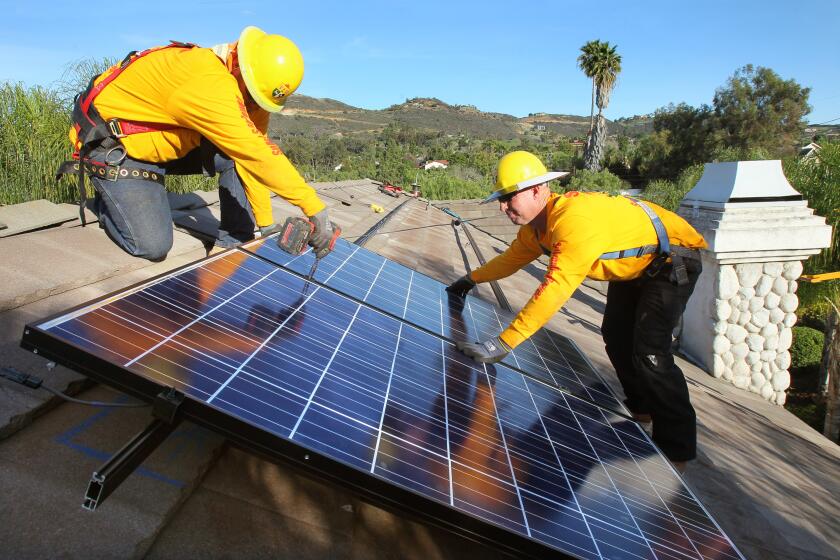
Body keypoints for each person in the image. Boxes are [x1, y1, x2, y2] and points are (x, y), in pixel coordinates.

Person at [446, 150, 707, 471]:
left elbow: (554, 289)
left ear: (537, 190)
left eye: (509, 197)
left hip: (672, 260)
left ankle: (676, 451)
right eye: (501, 199)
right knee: (614, 335)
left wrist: (501, 343)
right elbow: (510, 260)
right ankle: (642, 410)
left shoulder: (573, 223)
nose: (503, 207)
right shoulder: (536, 230)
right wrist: (469, 280)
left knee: (651, 352)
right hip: (635, 266)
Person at [59, 26, 335, 260]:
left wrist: (265, 226)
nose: (252, 105)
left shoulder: (247, 91)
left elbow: (254, 152)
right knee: (152, 246)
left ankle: (235, 241)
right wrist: (313, 207)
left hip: (164, 143)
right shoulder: (207, 80)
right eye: (251, 97)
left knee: (233, 154)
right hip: (116, 146)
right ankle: (109, 201)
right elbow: (256, 154)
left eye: (258, 101)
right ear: (238, 65)